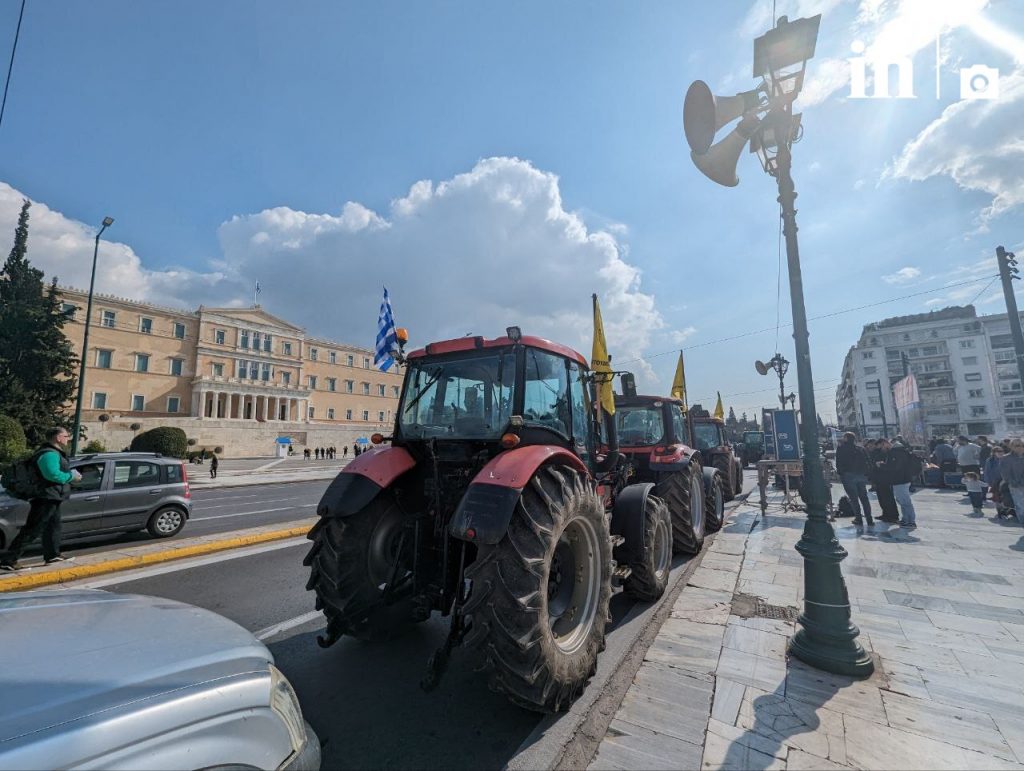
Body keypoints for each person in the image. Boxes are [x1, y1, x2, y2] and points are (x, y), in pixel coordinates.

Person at [0, 427, 82, 571]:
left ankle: (53, 555)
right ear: (57, 437)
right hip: (45, 496)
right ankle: (8, 560)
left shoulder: (52, 452)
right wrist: (71, 477)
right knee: (33, 529)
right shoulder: (49, 454)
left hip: (52, 496)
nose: (68, 438)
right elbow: (52, 475)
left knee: (53, 526)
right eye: (66, 436)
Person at [836, 432, 874, 527]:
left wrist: (841, 473)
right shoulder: (861, 449)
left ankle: (858, 518)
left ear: (846, 438)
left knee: (854, 498)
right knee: (864, 498)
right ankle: (869, 519)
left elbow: (838, 461)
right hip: (861, 475)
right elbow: (868, 461)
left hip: (848, 475)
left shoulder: (841, 448)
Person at [885, 439, 919, 528]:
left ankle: (910, 521)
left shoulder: (894, 453)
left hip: (899, 480)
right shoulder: (905, 452)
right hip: (906, 479)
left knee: (904, 501)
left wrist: (882, 465)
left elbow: (894, 467)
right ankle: (906, 519)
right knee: (903, 501)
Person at [871, 438, 900, 523]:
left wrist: (881, 465)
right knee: (882, 498)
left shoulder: (890, 452)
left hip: (886, 478)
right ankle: (885, 514)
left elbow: (890, 465)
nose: (878, 447)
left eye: (879, 445)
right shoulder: (878, 452)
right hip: (879, 478)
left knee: (888, 498)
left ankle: (893, 515)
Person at [1000, 439, 1024, 523]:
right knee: (1021, 506)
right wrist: (1014, 482)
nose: (1020, 447)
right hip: (1016, 486)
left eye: (1022, 445)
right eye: (1017, 445)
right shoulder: (1006, 458)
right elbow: (1005, 474)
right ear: (1011, 447)